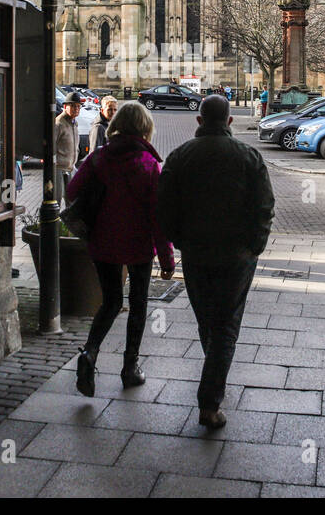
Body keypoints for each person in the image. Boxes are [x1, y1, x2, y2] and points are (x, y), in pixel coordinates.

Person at [158, 94, 274, 429]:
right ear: (230, 121)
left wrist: (179, 240)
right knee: (225, 324)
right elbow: (264, 206)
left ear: (199, 121)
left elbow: (163, 207)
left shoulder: (180, 157)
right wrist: (255, 246)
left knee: (207, 319)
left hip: (195, 252)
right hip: (236, 255)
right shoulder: (248, 156)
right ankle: (209, 402)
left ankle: (214, 376)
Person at [67, 102, 174, 396]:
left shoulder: (100, 157)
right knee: (138, 305)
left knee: (111, 302)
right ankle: (130, 368)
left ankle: (89, 353)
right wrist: (167, 259)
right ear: (144, 128)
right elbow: (158, 217)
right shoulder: (148, 164)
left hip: (102, 242)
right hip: (139, 246)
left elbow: (72, 191)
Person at [53, 91, 82, 206]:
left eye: (78, 106)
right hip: (58, 167)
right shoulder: (58, 123)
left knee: (71, 200)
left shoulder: (74, 123)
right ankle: (56, 224)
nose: (76, 109)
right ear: (65, 107)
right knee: (57, 200)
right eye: (73, 106)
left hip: (70, 167)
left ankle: (68, 224)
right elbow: (52, 146)